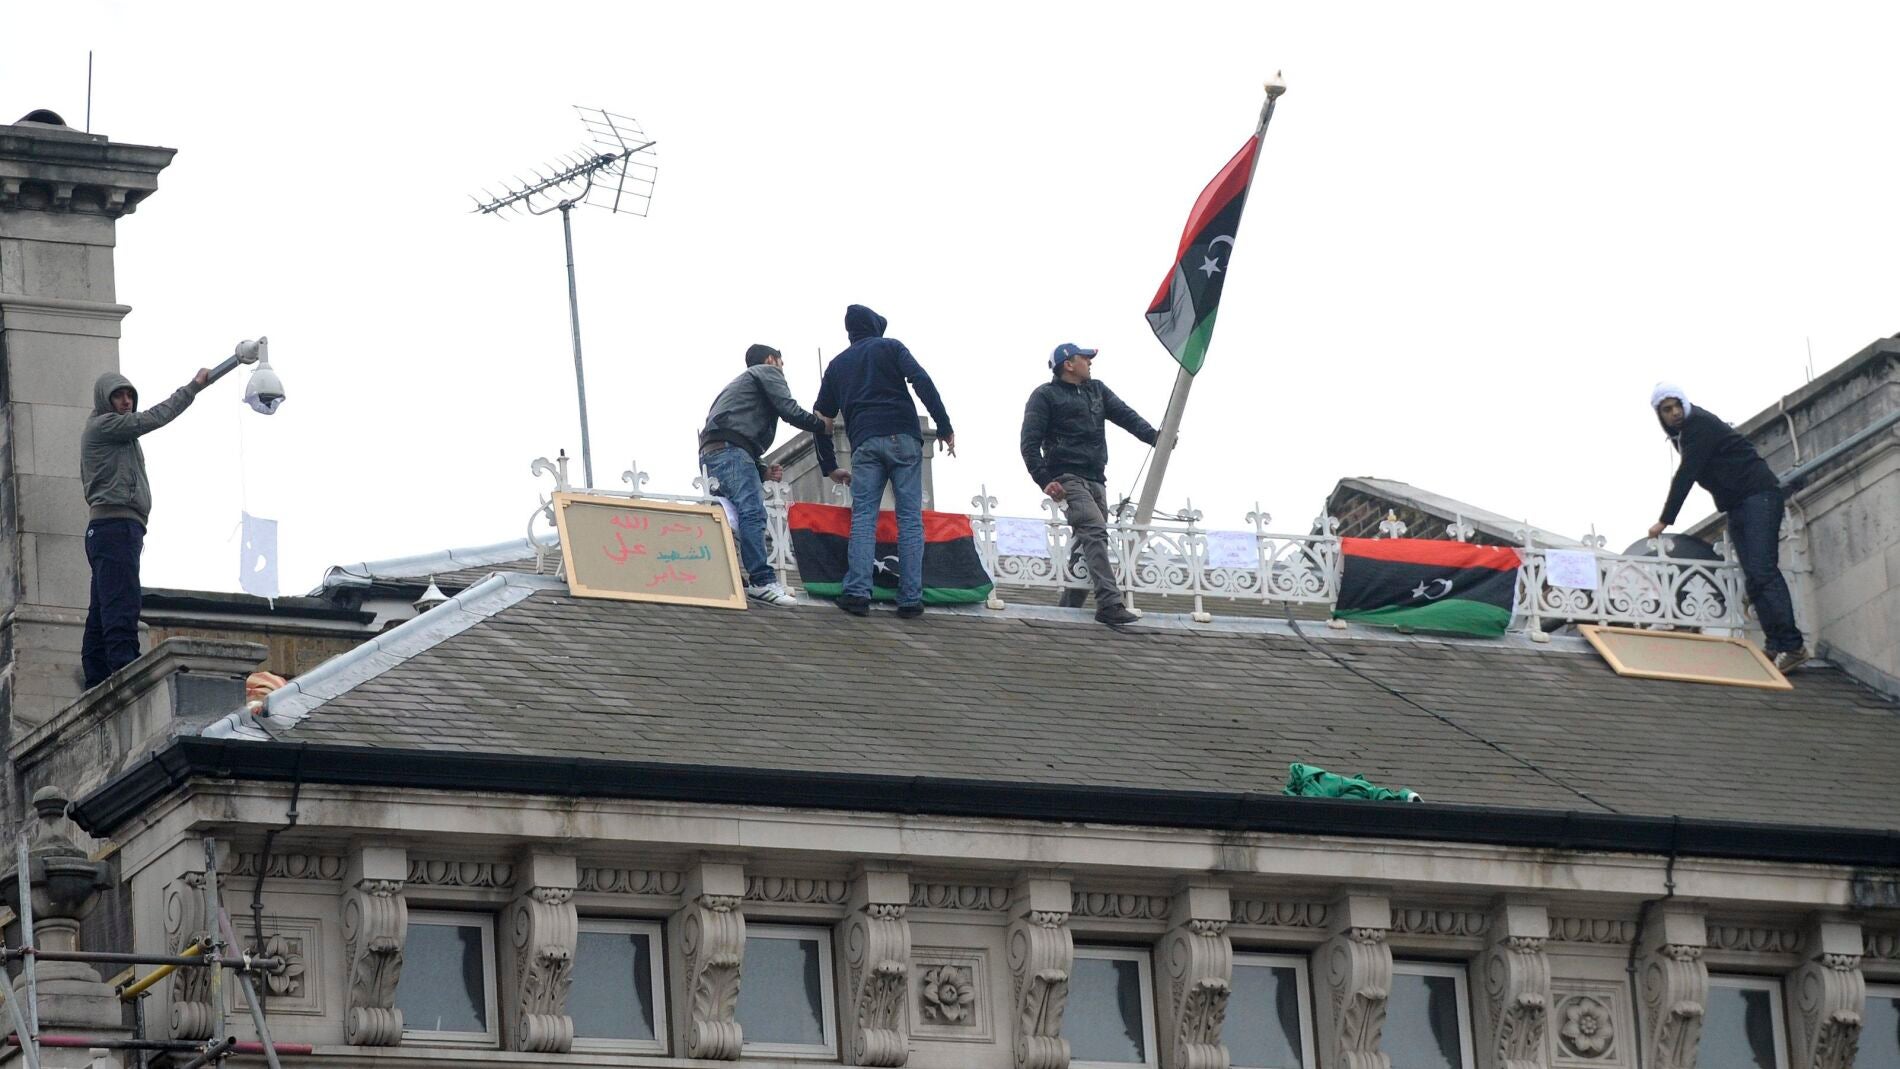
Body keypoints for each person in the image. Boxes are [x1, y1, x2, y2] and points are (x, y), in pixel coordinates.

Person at [1647, 382, 1809, 672]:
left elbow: (1686, 475)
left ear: (1684, 404)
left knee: (1763, 570)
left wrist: (1665, 520)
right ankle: (1775, 644)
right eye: (1666, 410)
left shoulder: (1699, 425)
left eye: (1675, 406)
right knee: (1754, 576)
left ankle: (1793, 646)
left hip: (1758, 497)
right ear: (1660, 415)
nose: (1673, 413)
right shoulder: (1684, 435)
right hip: (1740, 503)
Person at [813, 304, 954, 618]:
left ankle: (858, 594)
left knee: (864, 517)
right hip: (904, 436)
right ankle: (910, 599)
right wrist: (944, 427)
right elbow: (921, 381)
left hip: (865, 441)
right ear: (875, 327)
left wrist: (829, 465)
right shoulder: (891, 347)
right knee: (910, 520)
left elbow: (820, 419)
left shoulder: (837, 366)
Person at [80, 366, 211, 688]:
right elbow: (154, 418)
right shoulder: (105, 425)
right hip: (116, 527)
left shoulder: (117, 436)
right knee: (121, 601)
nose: (126, 402)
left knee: (103, 604)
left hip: (113, 529)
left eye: (130, 396)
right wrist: (192, 388)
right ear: (104, 400)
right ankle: (126, 670)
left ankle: (96, 673)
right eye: (119, 396)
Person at [1020, 343, 1158, 626]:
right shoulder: (1044, 396)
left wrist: (1155, 437)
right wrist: (1045, 481)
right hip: (1067, 477)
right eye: (1085, 358)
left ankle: (1066, 613)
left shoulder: (1097, 390)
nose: (1090, 362)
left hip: (1097, 478)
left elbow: (1125, 415)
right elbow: (1029, 444)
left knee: (1084, 547)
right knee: (1094, 532)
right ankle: (1109, 603)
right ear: (1068, 364)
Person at [698, 344, 833, 606]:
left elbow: (731, 430)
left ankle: (734, 575)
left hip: (716, 452)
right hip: (731, 451)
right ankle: (762, 581)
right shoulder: (766, 372)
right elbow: (788, 409)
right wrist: (821, 426)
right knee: (752, 512)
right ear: (772, 359)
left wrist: (760, 469)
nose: (782, 370)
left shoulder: (740, 386)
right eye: (781, 364)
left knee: (730, 517)